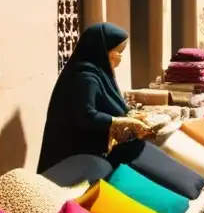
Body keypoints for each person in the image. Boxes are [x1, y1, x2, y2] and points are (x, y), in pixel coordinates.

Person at [38, 23, 151, 173]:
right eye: (118, 51)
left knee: (143, 150)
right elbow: (86, 115)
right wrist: (121, 122)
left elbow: (108, 106)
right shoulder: (85, 77)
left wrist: (131, 117)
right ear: (102, 51)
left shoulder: (101, 74)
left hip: (97, 151)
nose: (120, 56)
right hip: (77, 157)